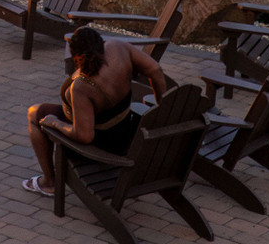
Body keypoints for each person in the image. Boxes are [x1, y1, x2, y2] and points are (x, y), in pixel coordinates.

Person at [22, 26, 169, 195]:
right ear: (101, 43)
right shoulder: (118, 47)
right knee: (41, 110)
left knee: (34, 114)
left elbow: (85, 136)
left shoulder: (82, 87)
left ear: (76, 56)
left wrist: (55, 123)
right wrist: (161, 108)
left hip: (101, 143)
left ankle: (50, 182)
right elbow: (155, 70)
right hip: (125, 131)